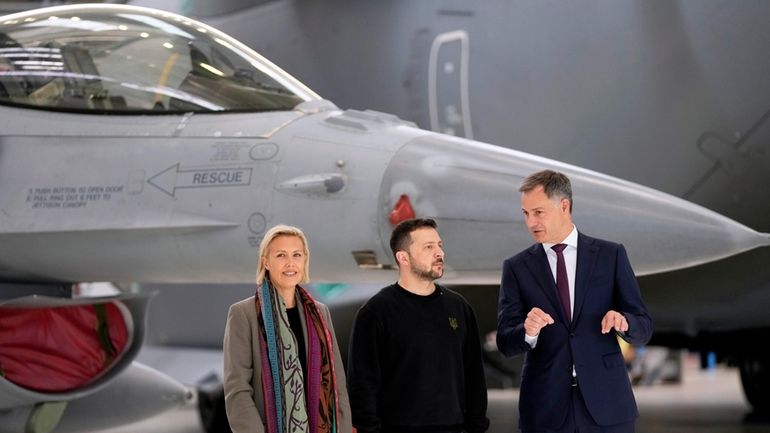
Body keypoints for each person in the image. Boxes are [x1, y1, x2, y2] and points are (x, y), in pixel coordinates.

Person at [496, 170, 653, 433]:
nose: (530, 222)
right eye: (526, 214)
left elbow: (644, 327)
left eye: (538, 212)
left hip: (608, 404)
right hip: (544, 409)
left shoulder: (610, 255)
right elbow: (505, 341)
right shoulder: (516, 268)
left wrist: (624, 322)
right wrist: (528, 331)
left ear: (564, 206)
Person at [347, 218, 490, 433]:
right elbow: (362, 386)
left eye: (440, 246)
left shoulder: (459, 308)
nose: (439, 253)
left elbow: (474, 377)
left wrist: (476, 428)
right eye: (428, 247)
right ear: (403, 257)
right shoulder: (376, 312)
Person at [223, 224, 352, 433]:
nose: (290, 263)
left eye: (297, 255)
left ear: (304, 261)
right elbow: (237, 390)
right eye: (281, 255)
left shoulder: (320, 313)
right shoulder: (243, 313)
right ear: (266, 262)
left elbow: (337, 383)